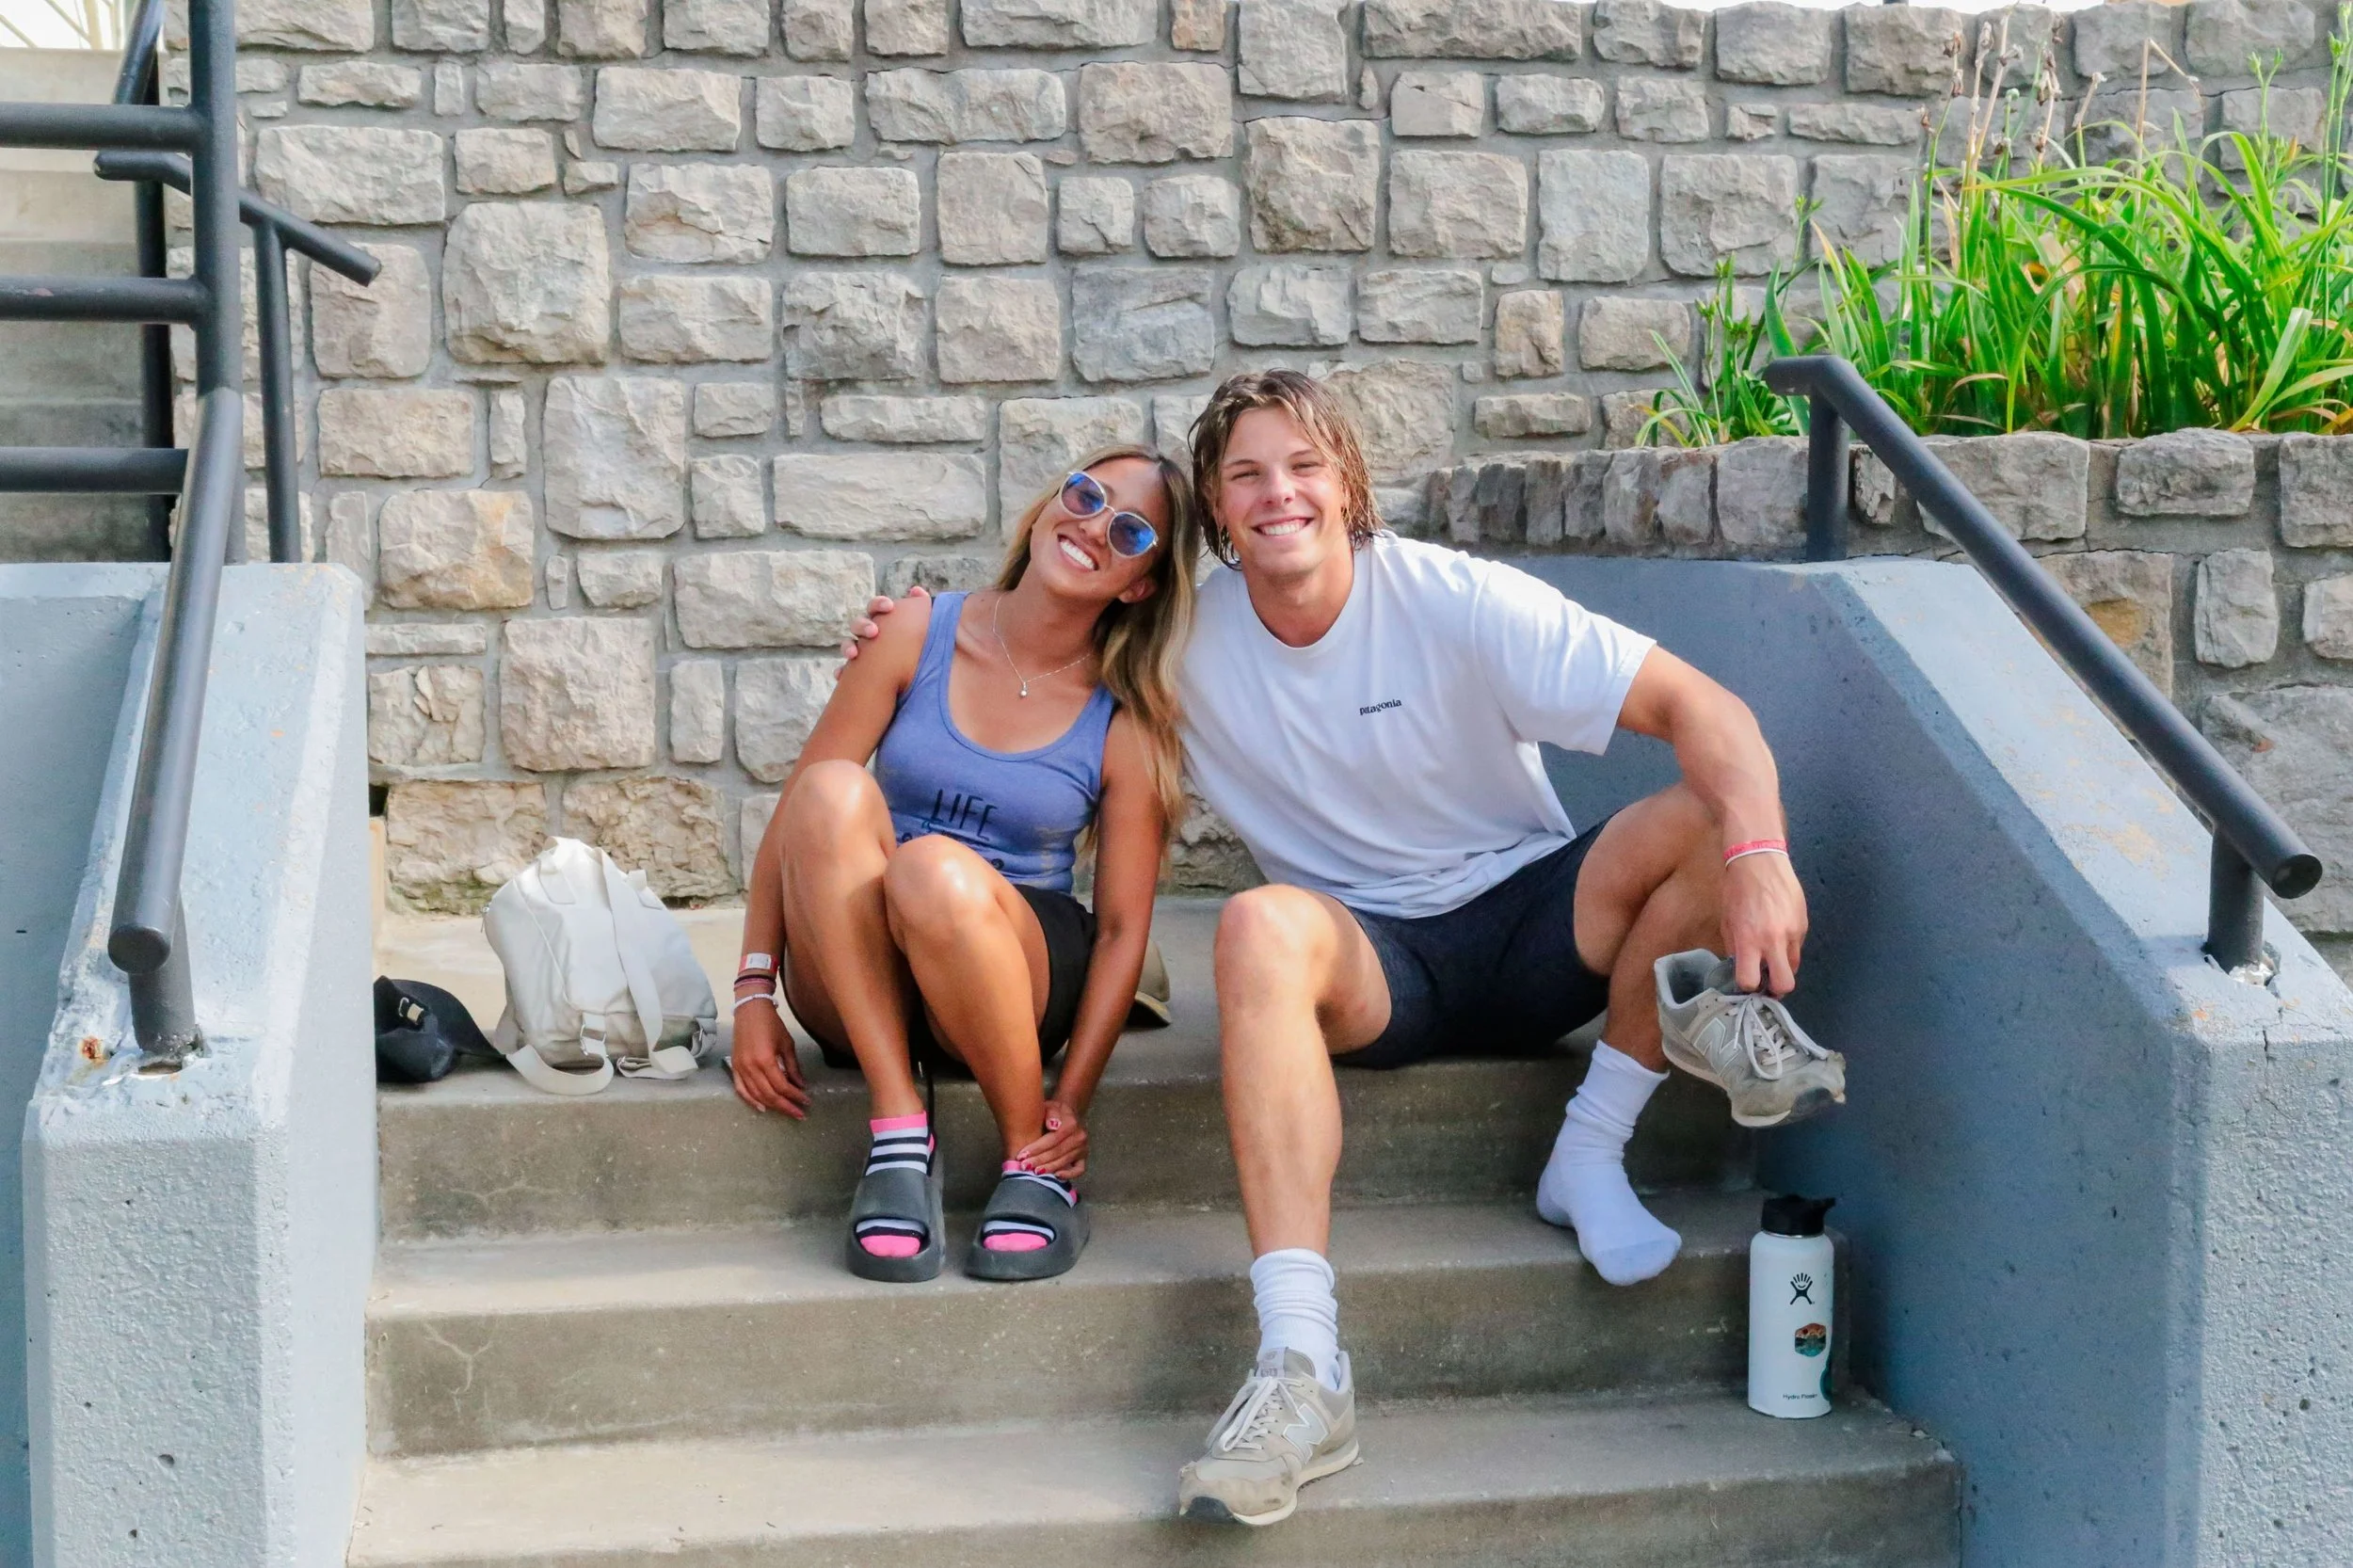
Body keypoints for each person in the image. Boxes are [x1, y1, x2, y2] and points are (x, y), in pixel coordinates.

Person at [847, 371, 1845, 1526]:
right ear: (1217, 515)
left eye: (1303, 466)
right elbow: (1043, 642)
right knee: (1257, 921)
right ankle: (1302, 1364)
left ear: (1348, 483)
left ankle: (1594, 1142)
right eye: (1246, 475)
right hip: (1372, 962)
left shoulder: (1456, 597)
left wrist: (1759, 855)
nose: (1279, 495)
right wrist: (908, 631)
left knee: (1705, 812)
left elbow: (1707, 709)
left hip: (1530, 918)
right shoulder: (1177, 644)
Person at [728, 446, 1202, 1286]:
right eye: (1086, 495)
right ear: (1048, 505)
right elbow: (795, 823)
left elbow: (1125, 929)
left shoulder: (1128, 717)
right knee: (833, 789)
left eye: (1128, 531)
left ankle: (1031, 1162)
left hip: (1010, 972)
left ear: (1140, 585)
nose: (1093, 525)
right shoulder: (915, 629)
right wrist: (754, 991)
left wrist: (1071, 1107)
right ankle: (900, 1129)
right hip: (862, 973)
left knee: (934, 871)